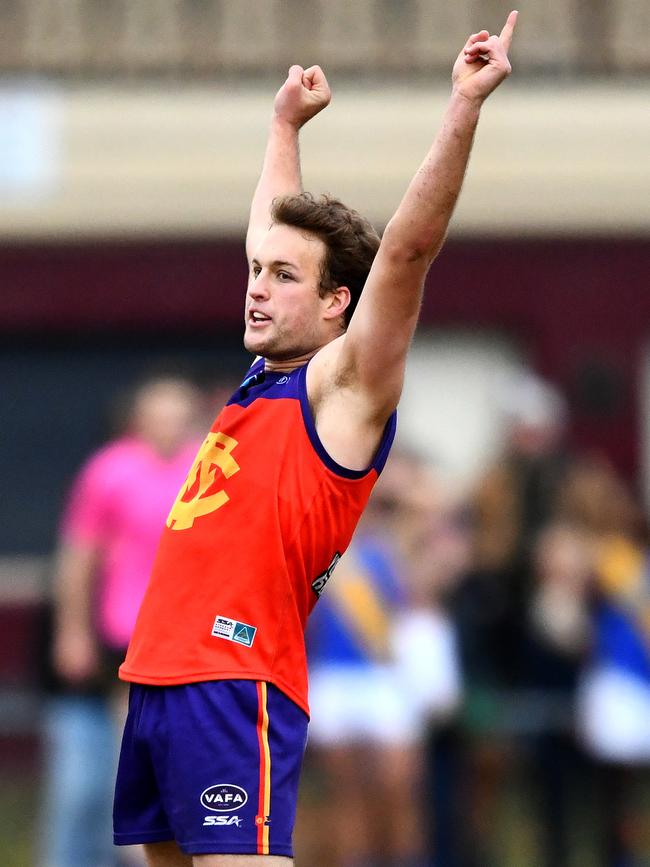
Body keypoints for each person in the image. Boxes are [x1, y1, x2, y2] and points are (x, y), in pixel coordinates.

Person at [112, 13, 518, 867]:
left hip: (234, 679)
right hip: (162, 677)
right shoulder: (267, 373)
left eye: (283, 277)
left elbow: (405, 254)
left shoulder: (345, 387)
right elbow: (273, 227)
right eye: (257, 272)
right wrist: (283, 128)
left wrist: (464, 106)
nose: (256, 286)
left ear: (338, 303)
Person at [41, 375, 202, 867]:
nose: (169, 426)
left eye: (179, 415)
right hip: (128, 633)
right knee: (130, 761)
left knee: (182, 764)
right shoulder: (111, 470)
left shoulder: (207, 465)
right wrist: (72, 631)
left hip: (193, 637)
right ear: (139, 420)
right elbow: (79, 555)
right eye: (159, 415)